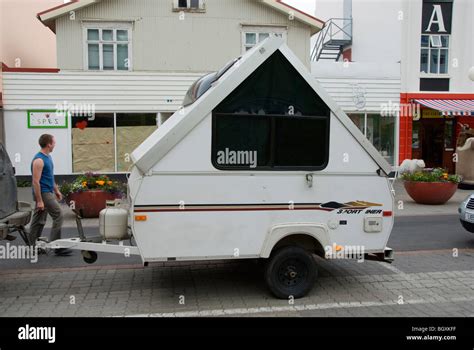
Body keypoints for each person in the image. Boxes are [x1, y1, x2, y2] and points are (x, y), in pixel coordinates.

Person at [29, 134, 71, 256]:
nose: (55, 144)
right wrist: (40, 200)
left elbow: (49, 177)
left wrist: (56, 190)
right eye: (54, 142)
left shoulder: (48, 157)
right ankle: (56, 246)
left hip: (49, 191)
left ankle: (33, 246)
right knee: (58, 214)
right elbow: (35, 182)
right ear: (49, 144)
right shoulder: (39, 160)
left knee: (39, 221)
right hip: (43, 193)